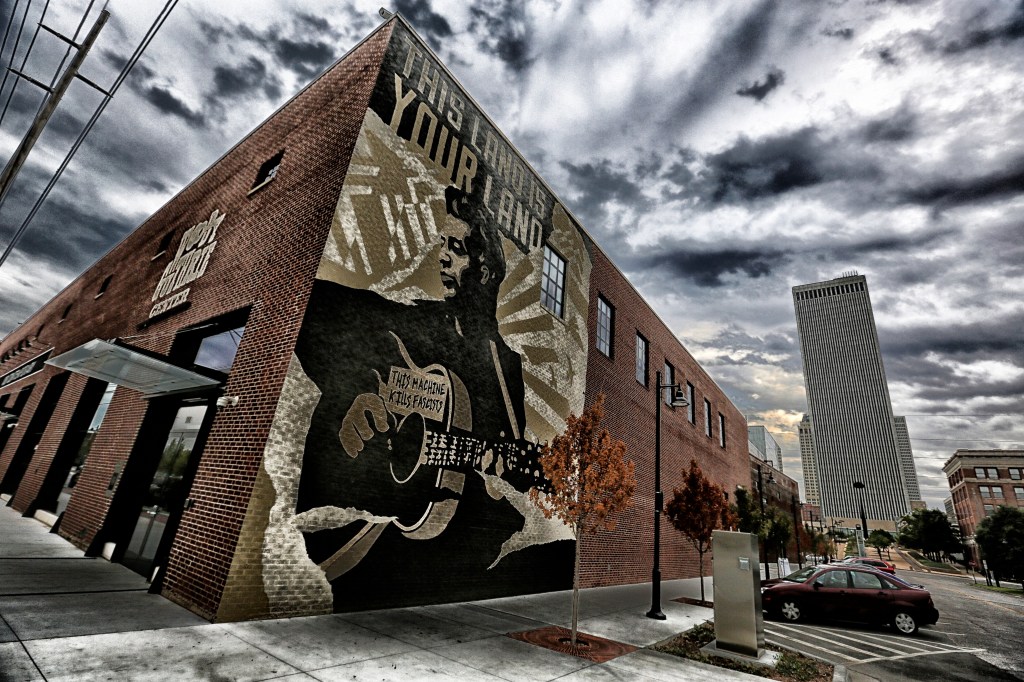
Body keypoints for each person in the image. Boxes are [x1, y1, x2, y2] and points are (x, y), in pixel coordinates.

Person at [293, 185, 568, 610]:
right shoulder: (410, 322)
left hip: (453, 552)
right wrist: (360, 387)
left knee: (561, 560)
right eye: (442, 244)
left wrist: (503, 473)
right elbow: (316, 303)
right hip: (382, 551)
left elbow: (495, 470)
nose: (440, 256)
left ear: (486, 270)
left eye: (455, 248)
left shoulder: (507, 365)